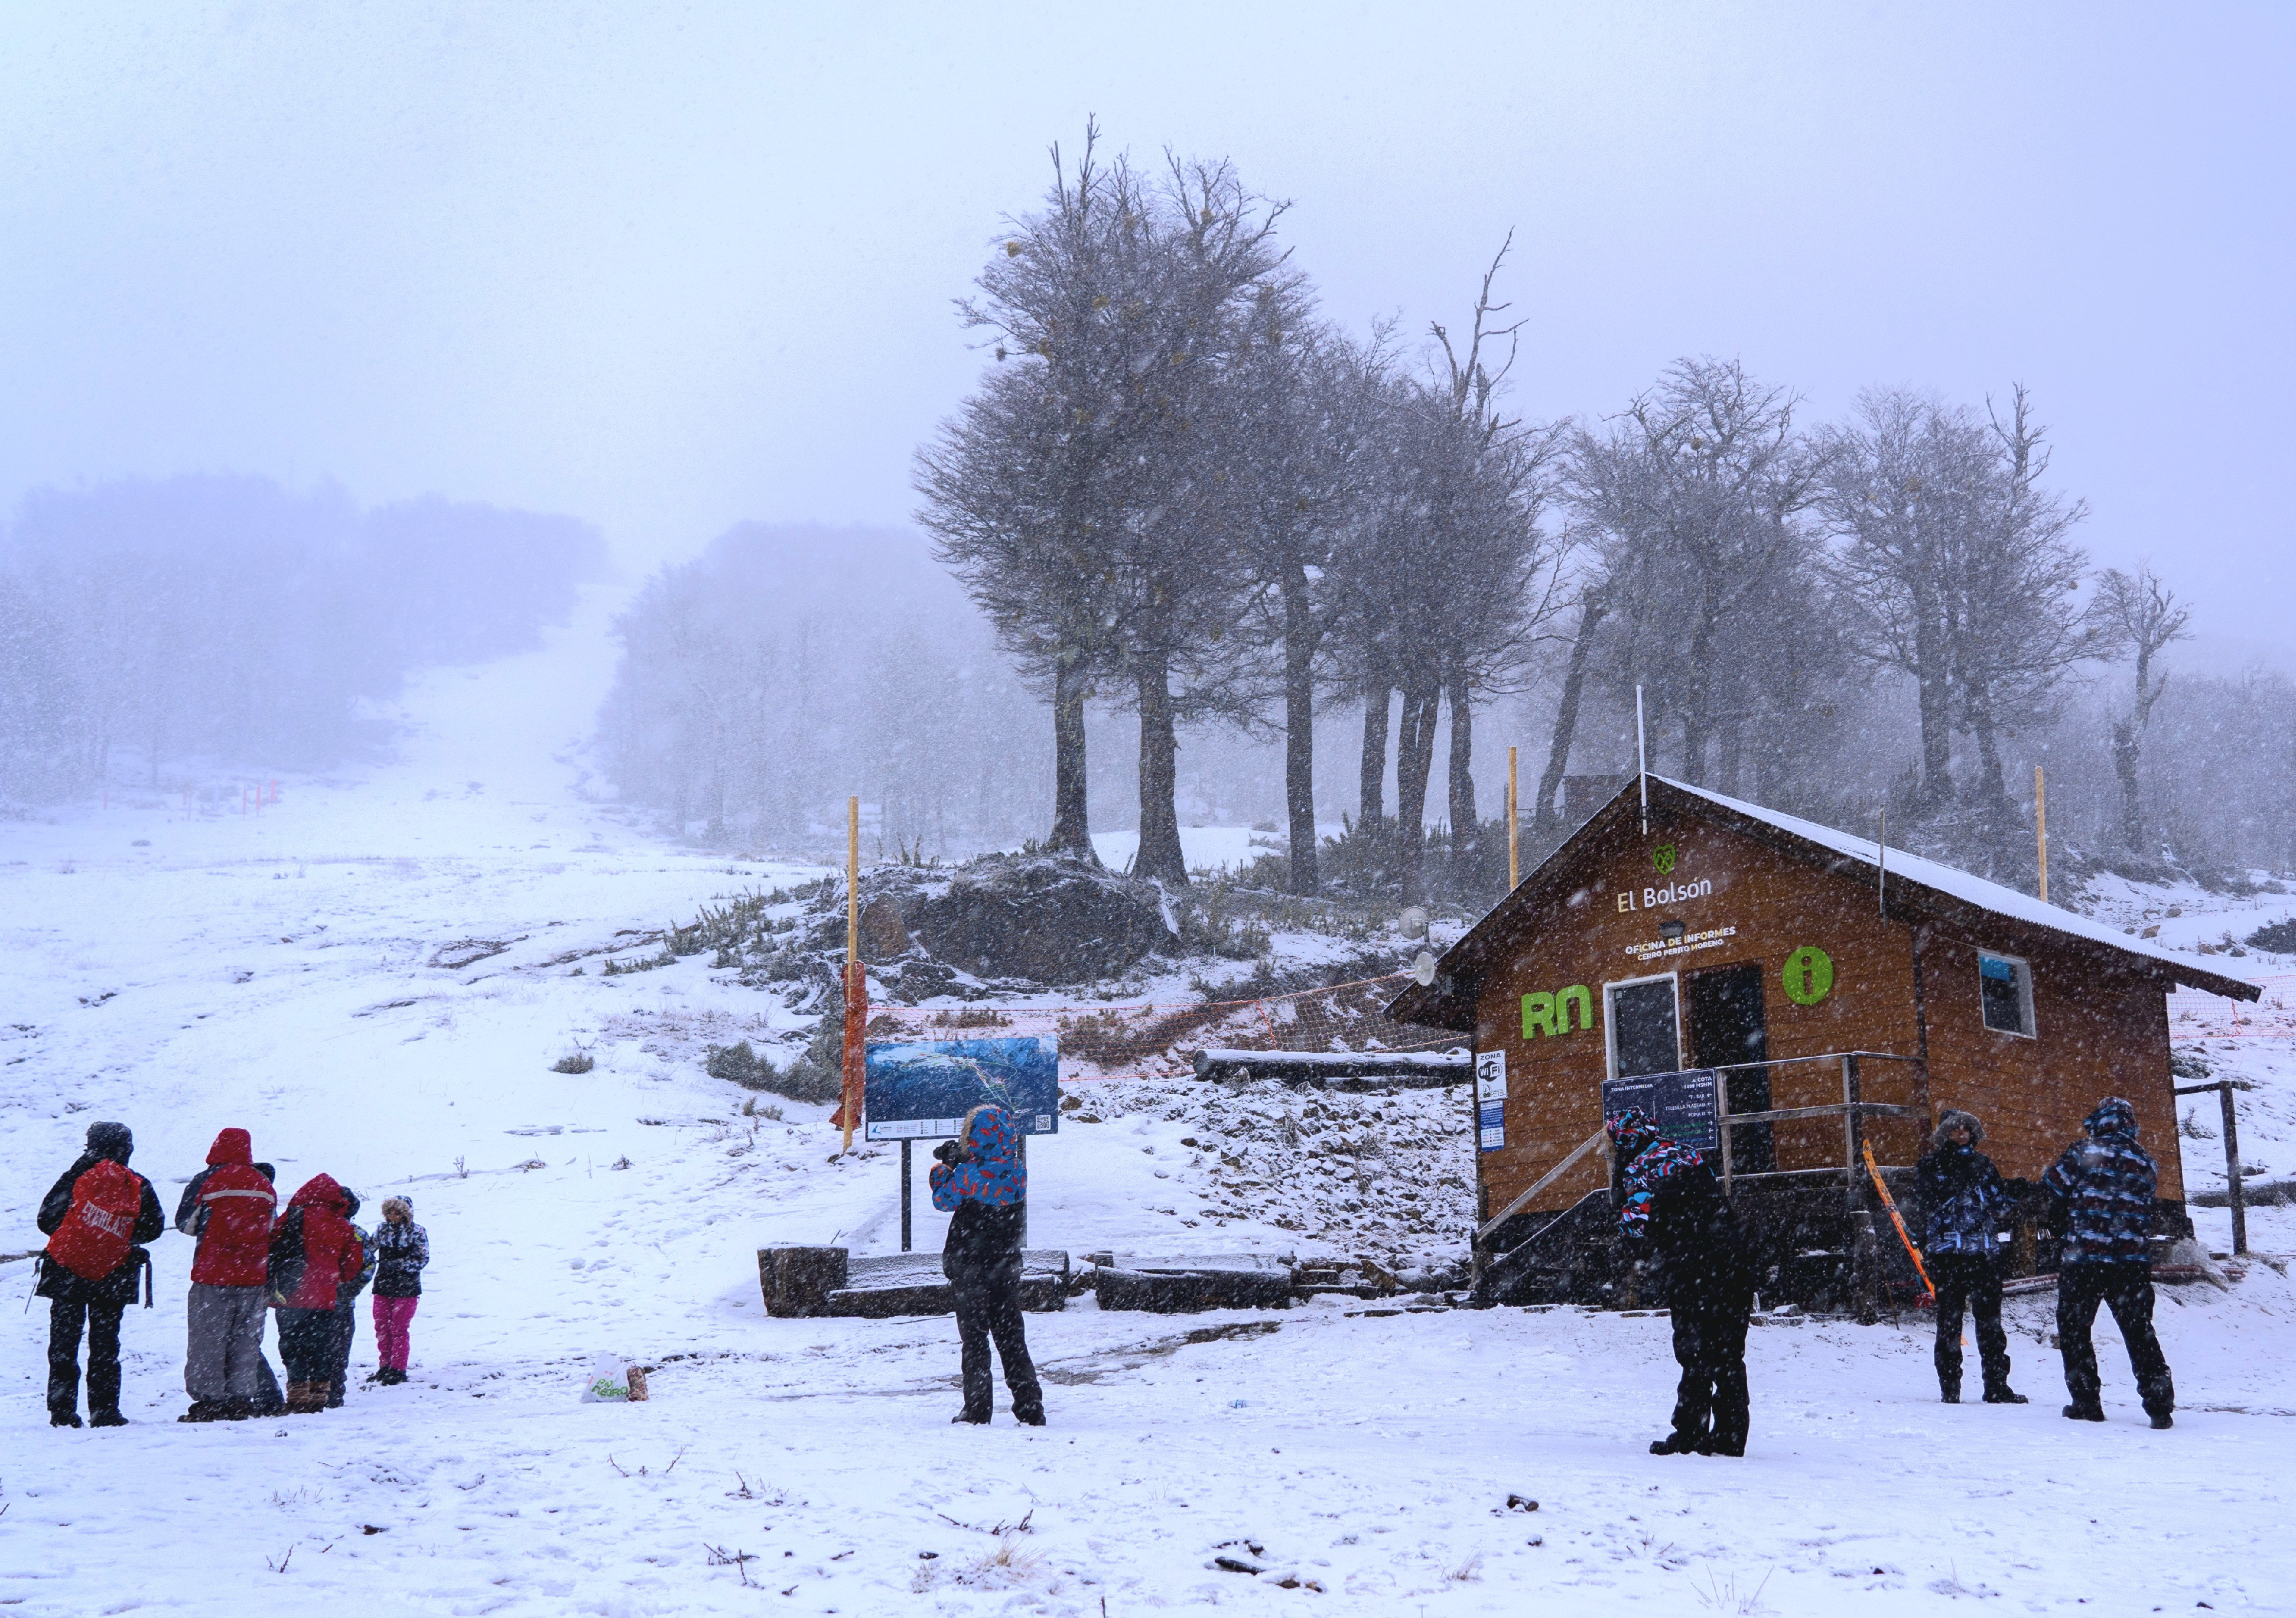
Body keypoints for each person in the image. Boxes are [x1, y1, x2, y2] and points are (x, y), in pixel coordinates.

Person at [1609, 1107, 1754, 1457]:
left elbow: (1635, 1229)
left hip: (1695, 1270)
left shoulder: (1639, 1171)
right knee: (1729, 1353)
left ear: (1626, 1141)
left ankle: (1690, 1432)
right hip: (1735, 1261)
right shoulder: (1687, 1154)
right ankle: (1732, 1436)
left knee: (1695, 1351)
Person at [2042, 1097, 2176, 1428]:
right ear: (2130, 1124)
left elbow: (2052, 1187)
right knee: (2139, 1331)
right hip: (2131, 1261)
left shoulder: (2083, 1153)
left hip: (2085, 1259)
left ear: (2098, 1122)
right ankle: (2160, 1405)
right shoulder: (2147, 1161)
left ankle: (2086, 1402)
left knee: (2075, 1329)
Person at [36, 1121, 165, 1428]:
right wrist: (115, 1237)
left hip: (67, 1270)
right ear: (127, 1148)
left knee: (64, 1344)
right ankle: (105, 1411)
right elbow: (153, 1228)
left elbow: (46, 1219)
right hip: (114, 1272)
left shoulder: (75, 1176)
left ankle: (63, 1412)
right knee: (106, 1344)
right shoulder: (136, 1182)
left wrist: (79, 1234)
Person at [930, 1102, 1044, 1427]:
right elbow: (992, 1172)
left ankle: (978, 1409)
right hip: (1006, 1268)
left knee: (975, 1341)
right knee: (1012, 1339)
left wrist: (943, 1169)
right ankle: (1030, 1405)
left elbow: (943, 1199)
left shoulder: (965, 1176)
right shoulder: (1018, 1172)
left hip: (969, 1270)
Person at [1914, 1109, 2026, 1405]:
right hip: (1948, 1255)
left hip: (1982, 1254)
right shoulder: (1930, 1165)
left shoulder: (1982, 1163)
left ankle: (1996, 1387)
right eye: (1955, 1129)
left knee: (1990, 1324)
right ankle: (1950, 1390)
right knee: (1949, 1323)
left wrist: (2015, 1190)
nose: (1962, 1133)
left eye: (1966, 1128)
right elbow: (1926, 1202)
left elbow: (1998, 1204)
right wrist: (1954, 1181)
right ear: (1944, 1134)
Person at [174, 1127, 280, 1422]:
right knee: (246, 1340)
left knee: (208, 1340)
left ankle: (209, 1401)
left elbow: (186, 1223)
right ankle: (240, 1399)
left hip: (213, 1274)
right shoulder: (263, 1184)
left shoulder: (206, 1180)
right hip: (254, 1277)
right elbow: (270, 1229)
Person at [267, 1174, 368, 1414]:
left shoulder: (293, 1217)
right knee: (320, 1348)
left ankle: (298, 1396)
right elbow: (353, 1264)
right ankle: (319, 1397)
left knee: (293, 1346)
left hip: (290, 1295)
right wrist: (334, 1276)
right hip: (325, 1299)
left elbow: (271, 1244)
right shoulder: (342, 1225)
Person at [367, 1196, 430, 1386]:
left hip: (407, 1287)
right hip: (383, 1284)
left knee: (399, 1328)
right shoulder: (381, 1230)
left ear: (406, 1214)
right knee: (382, 1327)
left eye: (397, 1212)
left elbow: (422, 1259)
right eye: (390, 1212)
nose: (393, 1216)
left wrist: (398, 1265)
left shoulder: (417, 1232)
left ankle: (398, 1369)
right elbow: (368, 1248)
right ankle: (385, 1367)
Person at [321, 1188, 375, 1408]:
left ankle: (313, 1394)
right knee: (339, 1352)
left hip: (317, 1302)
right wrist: (351, 1288)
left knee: (316, 1349)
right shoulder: (357, 1233)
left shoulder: (317, 1230)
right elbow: (368, 1266)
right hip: (341, 1304)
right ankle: (333, 1394)